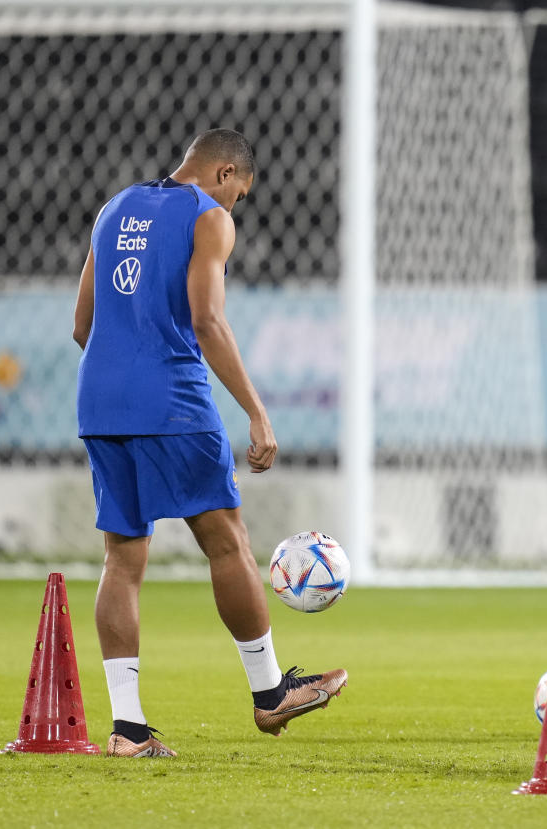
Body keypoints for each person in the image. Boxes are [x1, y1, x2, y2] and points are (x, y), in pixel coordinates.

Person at [72, 129, 346, 758]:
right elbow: (208, 320)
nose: (236, 206)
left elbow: (82, 323)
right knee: (226, 542)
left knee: (122, 557)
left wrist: (124, 378)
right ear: (225, 173)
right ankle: (270, 692)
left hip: (100, 400)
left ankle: (128, 729)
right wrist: (256, 412)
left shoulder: (113, 209)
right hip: (173, 399)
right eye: (239, 193)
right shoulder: (209, 217)